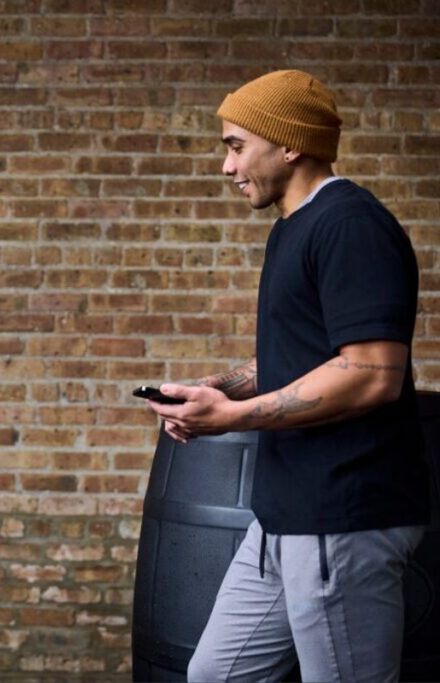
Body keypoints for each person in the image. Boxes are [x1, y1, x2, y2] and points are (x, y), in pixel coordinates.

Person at [143, 70, 430, 682]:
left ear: (289, 143)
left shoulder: (350, 226)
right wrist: (213, 390)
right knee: (216, 675)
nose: (227, 166)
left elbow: (372, 373)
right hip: (284, 517)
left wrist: (232, 418)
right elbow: (297, 360)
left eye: (236, 145)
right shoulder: (291, 229)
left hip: (343, 518)